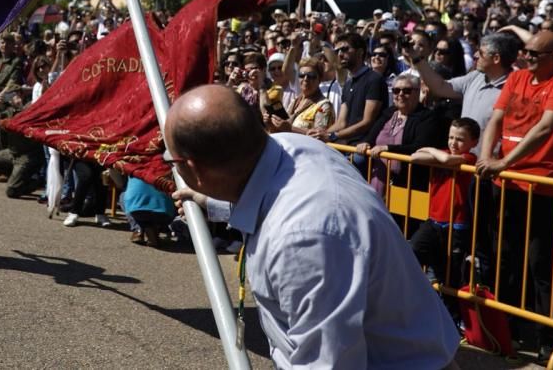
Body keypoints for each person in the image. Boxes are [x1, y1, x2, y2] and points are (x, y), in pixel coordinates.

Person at [166, 85, 461, 368]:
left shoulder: (304, 240)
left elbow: (328, 363)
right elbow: (269, 195)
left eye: (172, 160)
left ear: (192, 169)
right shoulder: (292, 148)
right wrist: (211, 200)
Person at [476, 31, 553, 356]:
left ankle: (547, 339)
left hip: (544, 186)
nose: (527, 58)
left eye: (534, 54)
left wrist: (504, 161)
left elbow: (546, 127)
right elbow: (496, 118)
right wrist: (485, 156)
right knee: (504, 258)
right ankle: (505, 332)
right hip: (505, 184)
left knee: (541, 266)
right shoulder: (517, 77)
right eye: (525, 52)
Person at [408, 118, 480, 286]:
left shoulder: (469, 157)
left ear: (474, 142)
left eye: (460, 139)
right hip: (434, 221)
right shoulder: (443, 153)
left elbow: (447, 161)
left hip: (456, 225)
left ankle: (450, 308)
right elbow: (414, 157)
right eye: (451, 137)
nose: (453, 143)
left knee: (450, 276)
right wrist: (436, 155)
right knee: (414, 249)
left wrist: (429, 149)